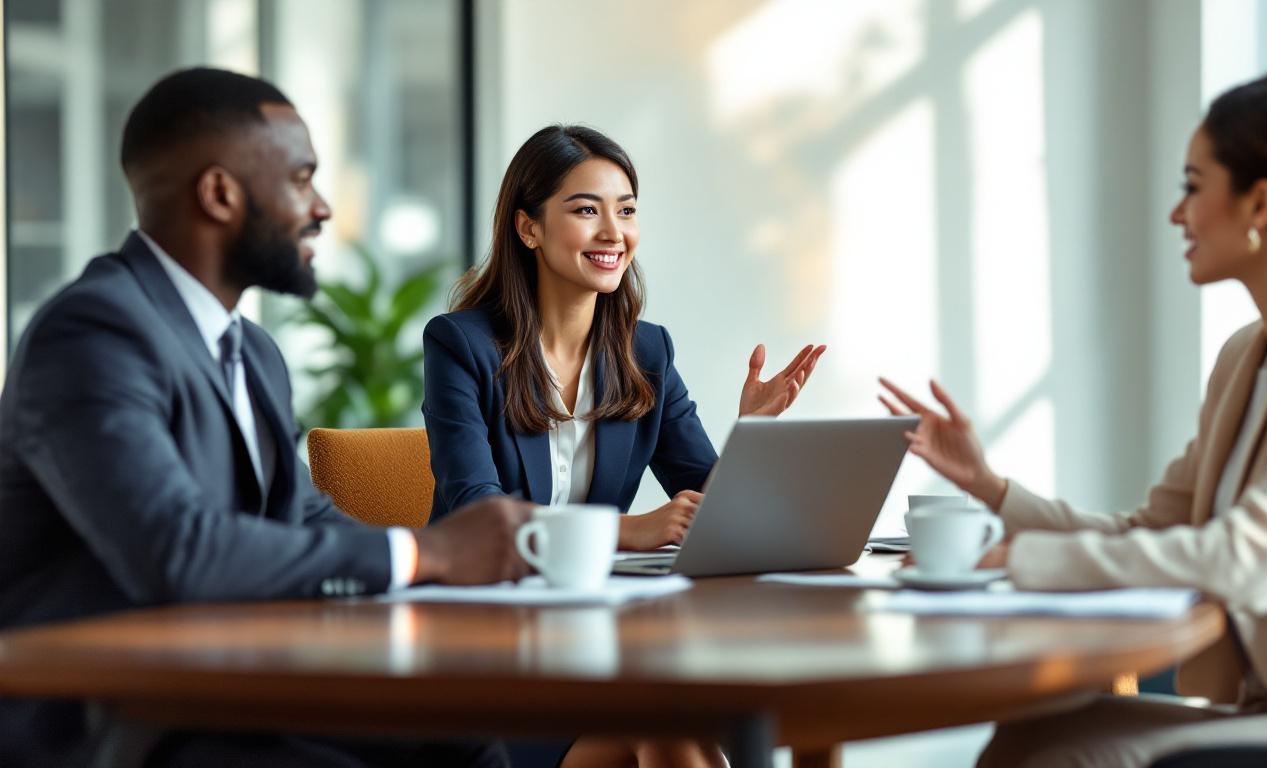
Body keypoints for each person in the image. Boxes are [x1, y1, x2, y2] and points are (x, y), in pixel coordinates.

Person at [880, 65, 1267, 767]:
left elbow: (1249, 559)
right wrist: (991, 488)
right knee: (1028, 737)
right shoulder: (1249, 357)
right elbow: (1155, 532)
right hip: (1262, 706)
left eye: (1193, 187)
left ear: (1261, 204)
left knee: (1057, 757)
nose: (1177, 214)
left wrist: (1022, 561)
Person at [0, 67, 532, 768]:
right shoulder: (94, 332)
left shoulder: (251, 351)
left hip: (226, 683)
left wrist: (467, 565)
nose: (323, 208)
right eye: (301, 178)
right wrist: (426, 552)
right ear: (220, 194)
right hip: (106, 718)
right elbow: (176, 552)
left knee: (461, 735)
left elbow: (301, 516)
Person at [423, 124, 824, 550]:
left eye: (627, 211)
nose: (614, 233)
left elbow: (708, 512)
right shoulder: (461, 345)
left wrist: (751, 438)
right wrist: (626, 530)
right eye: (586, 211)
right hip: (477, 601)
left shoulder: (647, 354)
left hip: (601, 602)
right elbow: (478, 511)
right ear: (529, 229)